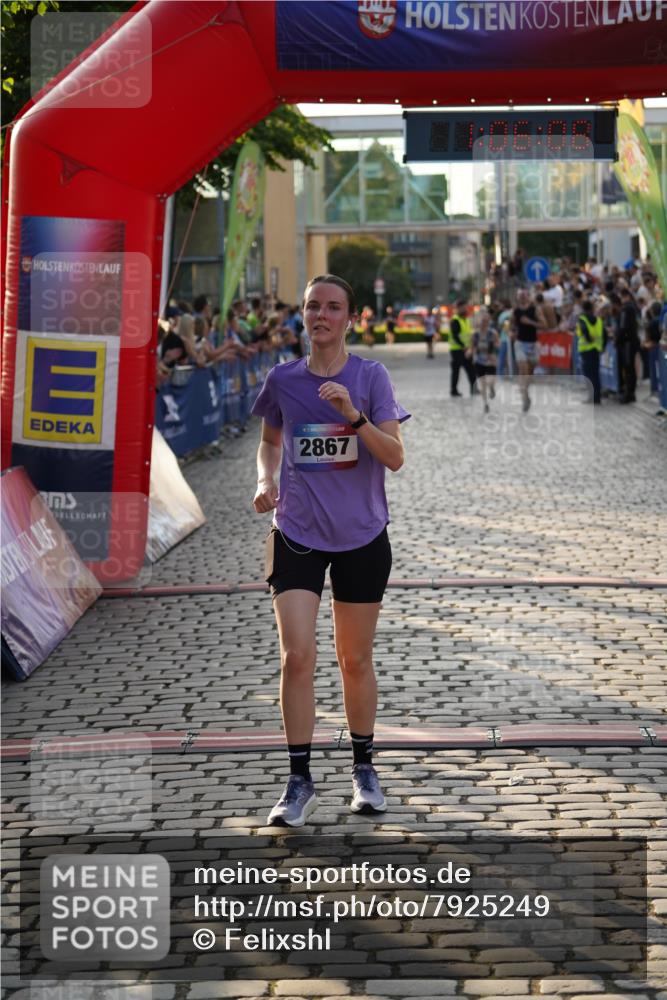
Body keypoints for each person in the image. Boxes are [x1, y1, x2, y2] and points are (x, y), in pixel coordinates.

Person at [251, 274, 410, 827]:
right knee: (297, 656)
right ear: (303, 315)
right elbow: (270, 443)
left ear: (349, 318)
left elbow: (394, 456)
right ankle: (298, 782)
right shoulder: (282, 379)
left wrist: (354, 415)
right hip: (295, 530)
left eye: (333, 307)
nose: (321, 315)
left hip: (362, 535)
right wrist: (264, 480)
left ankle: (364, 769)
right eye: (313, 305)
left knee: (354, 659)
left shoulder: (370, 376)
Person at [512, 288, 540, 412]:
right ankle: (524, 397)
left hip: (533, 344)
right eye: (520, 295)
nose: (522, 297)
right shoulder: (516, 311)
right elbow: (511, 324)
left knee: (529, 372)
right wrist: (511, 332)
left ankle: (526, 393)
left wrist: (530, 322)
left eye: (524, 295)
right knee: (523, 370)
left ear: (528, 296)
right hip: (520, 343)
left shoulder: (535, 310)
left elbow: (544, 324)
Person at [470, 311, 500, 413]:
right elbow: (472, 347)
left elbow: (498, 345)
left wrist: (495, 349)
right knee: (482, 383)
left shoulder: (493, 333)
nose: (484, 323)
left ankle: (491, 387)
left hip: (490, 361)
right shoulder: (475, 334)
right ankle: (485, 403)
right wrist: (470, 352)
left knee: (490, 380)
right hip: (479, 361)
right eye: (482, 321)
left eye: (486, 321)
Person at [577, 299, 603, 405]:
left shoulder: (582, 319)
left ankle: (591, 397)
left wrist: (588, 339)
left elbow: (584, 331)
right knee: (596, 374)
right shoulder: (598, 319)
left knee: (588, 375)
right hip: (596, 350)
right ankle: (597, 397)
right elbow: (604, 334)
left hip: (586, 351)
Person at [449, 299, 475, 396]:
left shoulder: (466, 319)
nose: (465, 309)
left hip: (466, 349)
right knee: (456, 371)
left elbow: (468, 334)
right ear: (458, 308)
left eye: (466, 307)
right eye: (463, 307)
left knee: (471, 369)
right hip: (457, 350)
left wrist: (470, 346)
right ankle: (453, 390)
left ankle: (474, 388)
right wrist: (463, 346)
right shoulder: (455, 320)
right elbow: (455, 336)